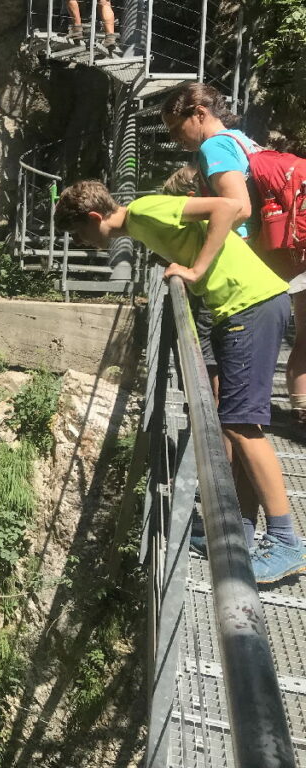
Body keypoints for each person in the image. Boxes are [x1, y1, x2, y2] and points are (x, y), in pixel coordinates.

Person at [54, 180, 306, 583]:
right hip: (240, 307)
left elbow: (227, 207)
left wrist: (196, 270)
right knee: (236, 424)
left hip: (250, 305)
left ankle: (286, 540)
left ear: (94, 218)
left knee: (242, 428)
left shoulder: (144, 211)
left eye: (79, 233)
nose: (83, 242)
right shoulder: (141, 225)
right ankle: (240, 531)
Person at [161, 83, 306, 427]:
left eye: (175, 126)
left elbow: (236, 209)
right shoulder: (243, 140)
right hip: (260, 268)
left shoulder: (214, 147)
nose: (173, 136)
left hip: (233, 270)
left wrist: (198, 265)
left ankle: (221, 469)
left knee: (220, 384)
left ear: (199, 113)